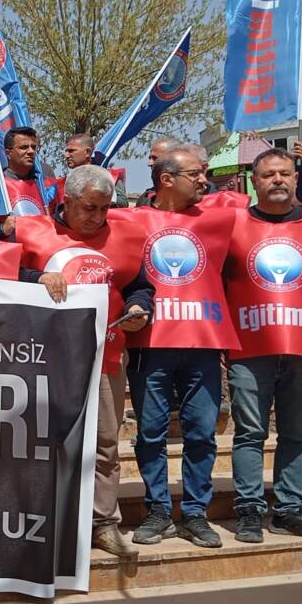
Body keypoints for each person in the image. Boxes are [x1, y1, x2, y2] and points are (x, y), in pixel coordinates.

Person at [16, 165, 153, 557]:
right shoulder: (31, 232)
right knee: (41, 440)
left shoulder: (123, 234)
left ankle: (103, 524)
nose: (97, 217)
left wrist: (139, 305)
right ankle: (40, 522)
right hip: (43, 356)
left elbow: (140, 285)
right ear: (68, 201)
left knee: (105, 443)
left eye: (104, 208)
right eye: (89, 208)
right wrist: (34, 277)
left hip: (104, 353)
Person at [223, 148, 302, 543]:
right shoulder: (232, 226)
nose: (277, 180)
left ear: (296, 179)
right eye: (268, 175)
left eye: (284, 173)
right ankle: (249, 510)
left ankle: (289, 509)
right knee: (250, 432)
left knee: (297, 433)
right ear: (255, 182)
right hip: (250, 348)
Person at [126, 149, 240, 550]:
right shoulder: (131, 220)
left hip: (203, 346)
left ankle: (195, 513)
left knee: (202, 433)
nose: (204, 180)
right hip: (150, 346)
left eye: (205, 172)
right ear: (166, 180)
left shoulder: (220, 216)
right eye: (195, 173)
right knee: (151, 434)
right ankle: (158, 511)